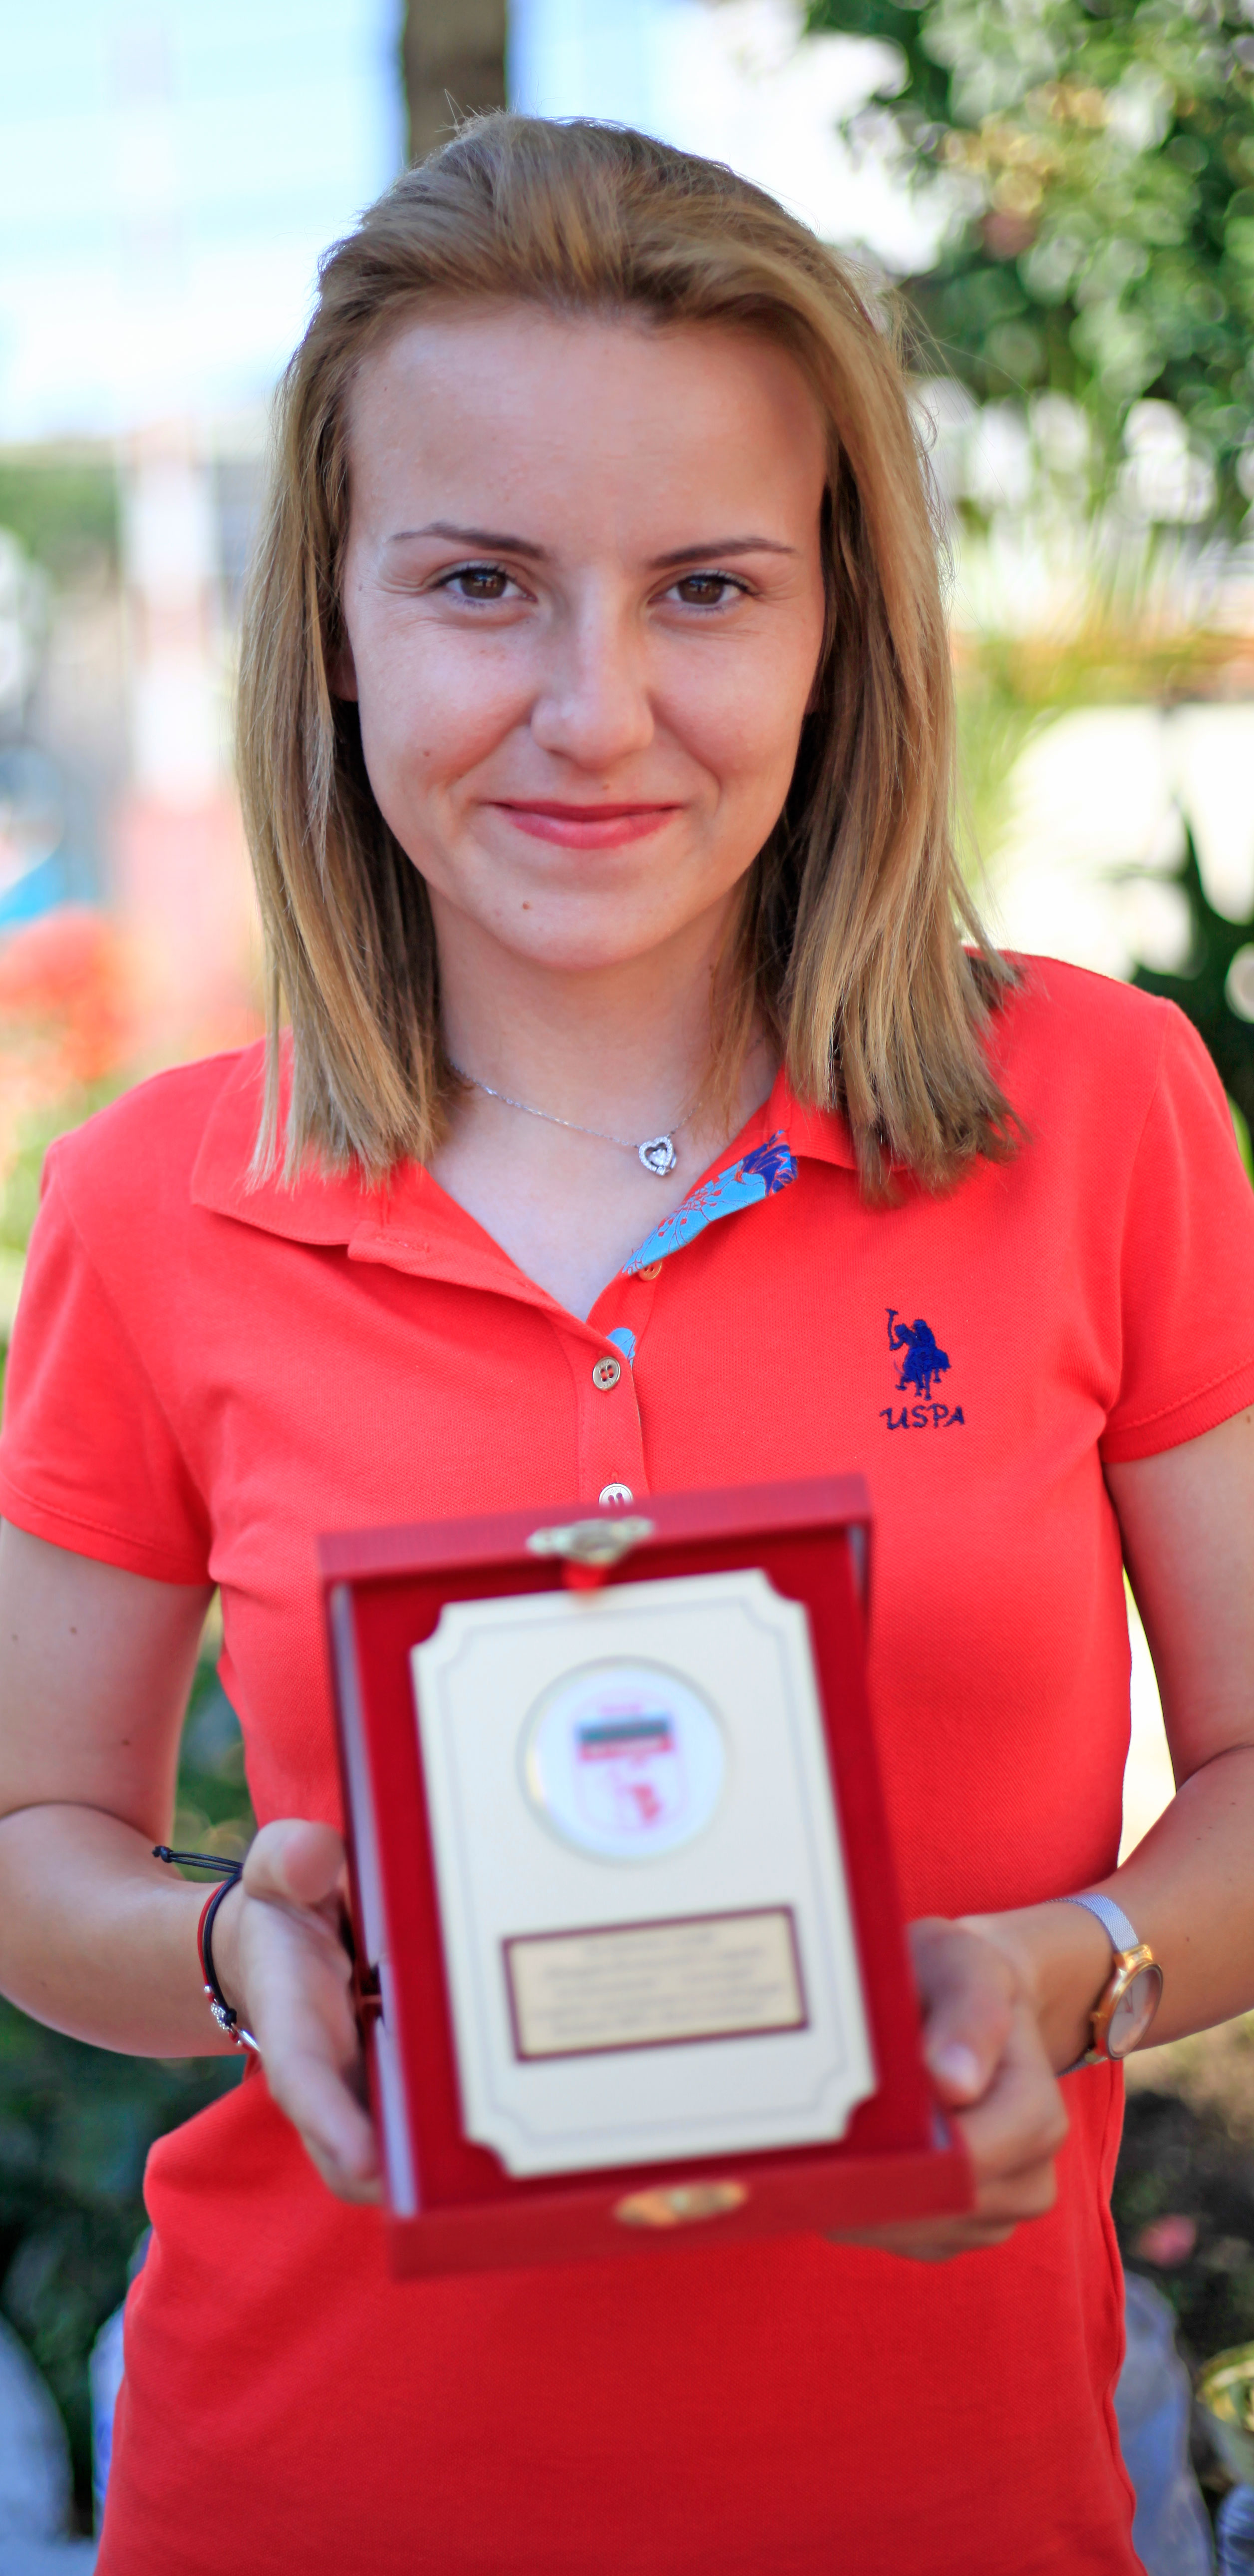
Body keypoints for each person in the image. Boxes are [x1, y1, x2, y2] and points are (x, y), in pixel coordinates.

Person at [0, 114, 1252, 2576]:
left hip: (960, 2512)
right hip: (301, 2502)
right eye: (481, 582)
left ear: (832, 623)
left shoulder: (1098, 1111)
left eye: (704, 588)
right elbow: (31, 1852)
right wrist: (235, 1952)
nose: (596, 709)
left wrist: (1075, 1970)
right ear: (334, 621)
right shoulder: (154, 1200)